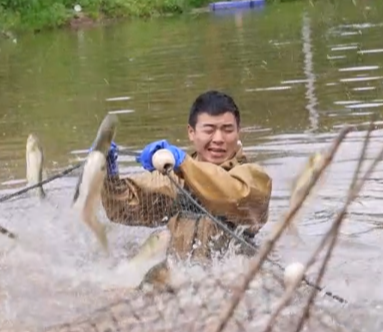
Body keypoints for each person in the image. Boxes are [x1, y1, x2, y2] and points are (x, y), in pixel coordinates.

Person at [99, 90, 273, 261]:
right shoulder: (175, 179)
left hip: (236, 280)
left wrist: (183, 163)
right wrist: (107, 173)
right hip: (181, 276)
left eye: (227, 130)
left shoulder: (254, 178)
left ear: (238, 131)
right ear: (191, 132)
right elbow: (121, 209)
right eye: (209, 130)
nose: (219, 139)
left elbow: (232, 196)